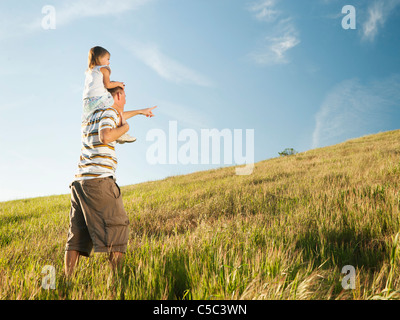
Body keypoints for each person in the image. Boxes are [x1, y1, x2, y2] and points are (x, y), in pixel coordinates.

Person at [64, 86, 157, 277]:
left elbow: (116, 115)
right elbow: (106, 136)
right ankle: (117, 283)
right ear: (119, 95)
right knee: (117, 230)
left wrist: (140, 112)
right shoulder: (109, 113)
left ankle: (67, 282)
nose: (125, 102)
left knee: (76, 237)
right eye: (124, 97)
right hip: (100, 182)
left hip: (80, 184)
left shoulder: (93, 115)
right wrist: (125, 128)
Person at [83, 46, 136, 144]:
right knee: (116, 107)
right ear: (100, 58)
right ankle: (120, 132)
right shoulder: (104, 69)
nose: (109, 62)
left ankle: (112, 128)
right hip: (98, 98)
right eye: (107, 59)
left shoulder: (90, 71)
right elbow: (108, 84)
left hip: (87, 102)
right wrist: (119, 84)